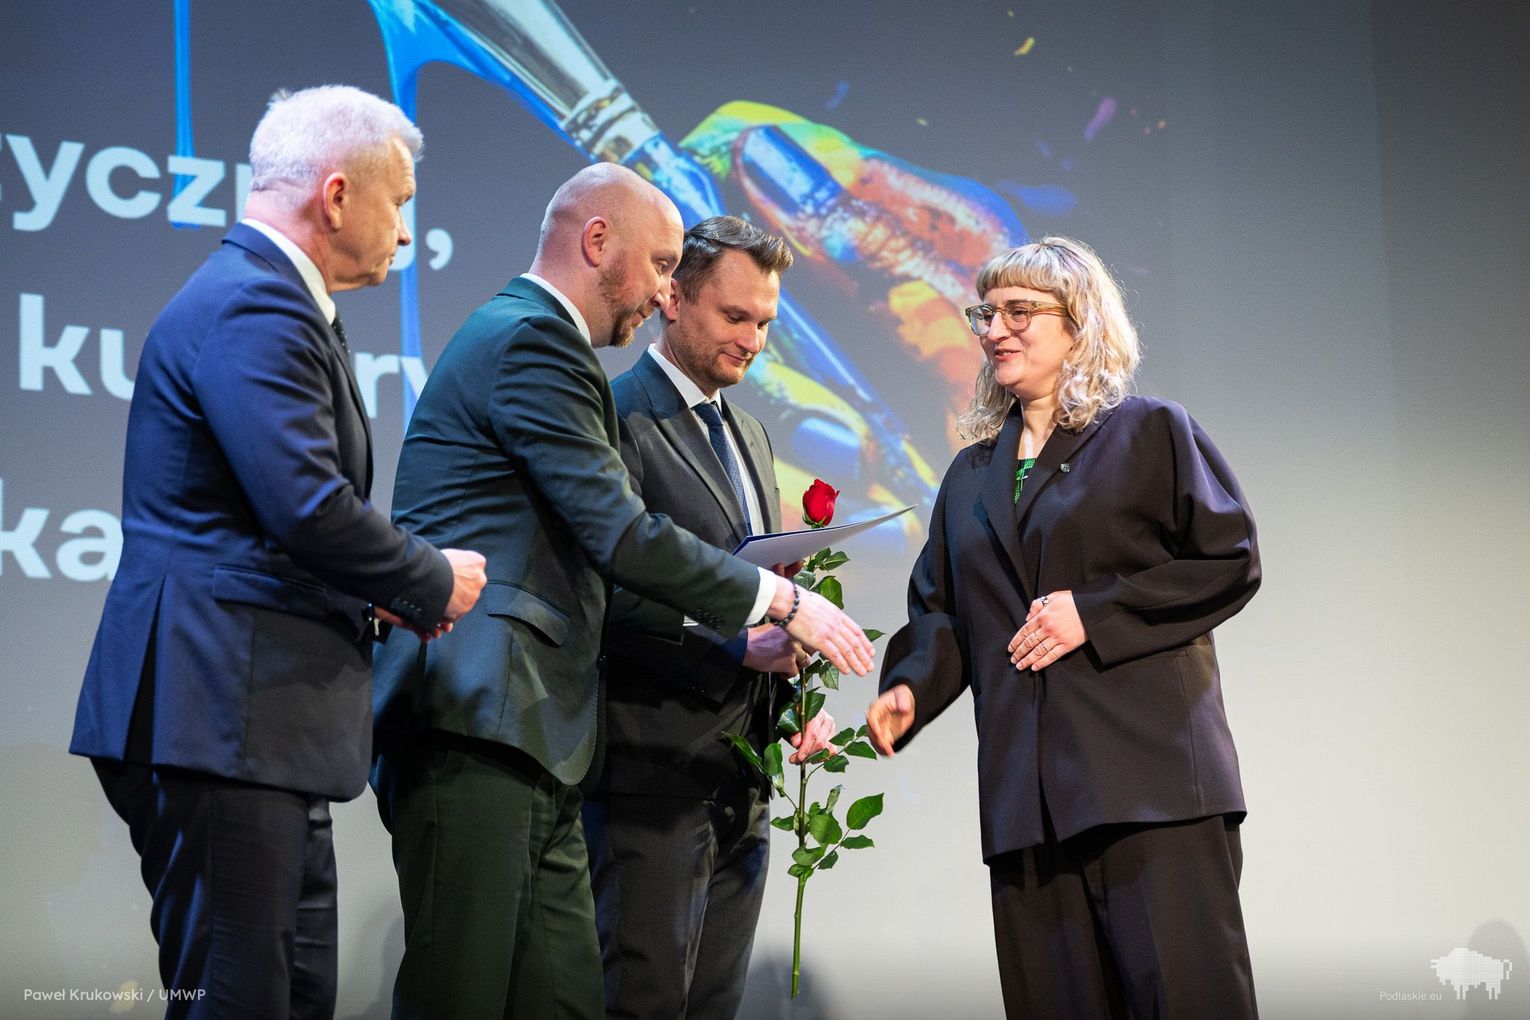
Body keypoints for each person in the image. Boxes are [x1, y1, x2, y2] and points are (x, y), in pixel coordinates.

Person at [370, 165, 874, 1020]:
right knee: (462, 996)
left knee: (568, 1001)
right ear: (597, 241)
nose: (662, 290)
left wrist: (783, 691)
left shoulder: (545, 345)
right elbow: (622, 537)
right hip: (481, 716)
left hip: (533, 733)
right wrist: (783, 602)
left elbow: (591, 563)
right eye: (663, 266)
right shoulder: (536, 340)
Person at [68, 85, 487, 1019]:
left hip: (255, 724)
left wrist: (371, 593)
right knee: (236, 996)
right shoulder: (256, 304)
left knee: (290, 996)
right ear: (336, 196)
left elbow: (265, 518)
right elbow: (308, 508)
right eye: (400, 202)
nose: (406, 231)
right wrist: (429, 578)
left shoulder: (274, 301)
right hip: (220, 714)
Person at [866, 237, 1261, 1018]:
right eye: (986, 315)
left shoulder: (1149, 431)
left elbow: (1228, 559)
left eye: (1019, 312)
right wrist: (910, 687)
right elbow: (943, 608)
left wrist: (1094, 613)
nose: (995, 330)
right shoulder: (971, 474)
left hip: (1149, 787)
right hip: (1027, 803)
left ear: (1080, 322)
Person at [582, 215, 833, 1018]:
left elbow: (758, 588)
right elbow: (600, 591)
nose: (753, 341)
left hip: (741, 780)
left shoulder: (750, 434)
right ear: (672, 298)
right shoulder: (613, 413)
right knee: (642, 1001)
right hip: (649, 774)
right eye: (734, 316)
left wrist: (793, 699)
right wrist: (732, 642)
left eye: (765, 323)